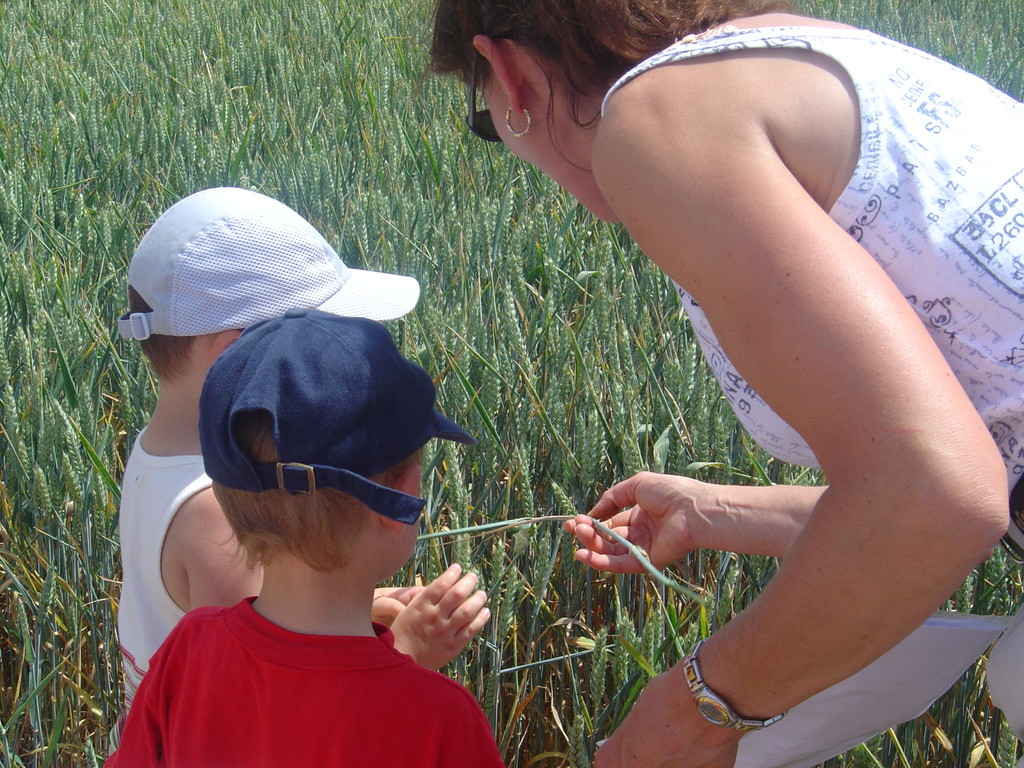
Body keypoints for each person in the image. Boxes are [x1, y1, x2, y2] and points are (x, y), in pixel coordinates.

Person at [428, 1, 1024, 766]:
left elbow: (937, 498)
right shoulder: (819, 57)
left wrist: (694, 712)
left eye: (488, 122)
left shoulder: (658, 117)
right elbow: (963, 481)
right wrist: (720, 509)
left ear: (509, 76)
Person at [115, 187, 490, 723]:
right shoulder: (217, 512)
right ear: (232, 352)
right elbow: (272, 710)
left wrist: (362, 603)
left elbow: (272, 618)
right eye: (312, 335)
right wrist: (406, 652)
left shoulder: (161, 452)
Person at [107, 309, 505, 767]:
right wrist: (404, 658)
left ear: (223, 492)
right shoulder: (443, 718)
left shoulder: (187, 650)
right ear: (404, 496)